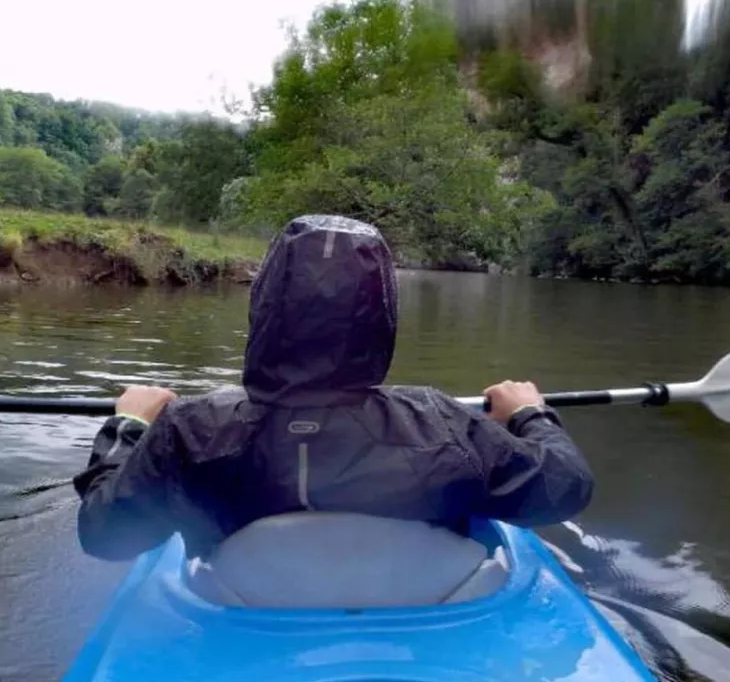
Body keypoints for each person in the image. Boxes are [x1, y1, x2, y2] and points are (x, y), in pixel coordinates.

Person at [72, 213, 595, 562]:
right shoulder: (443, 423)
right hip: (417, 619)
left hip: (240, 611)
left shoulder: (191, 433)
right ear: (383, 313)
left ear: (265, 305)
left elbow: (104, 535)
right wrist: (530, 414)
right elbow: (564, 487)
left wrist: (130, 426)